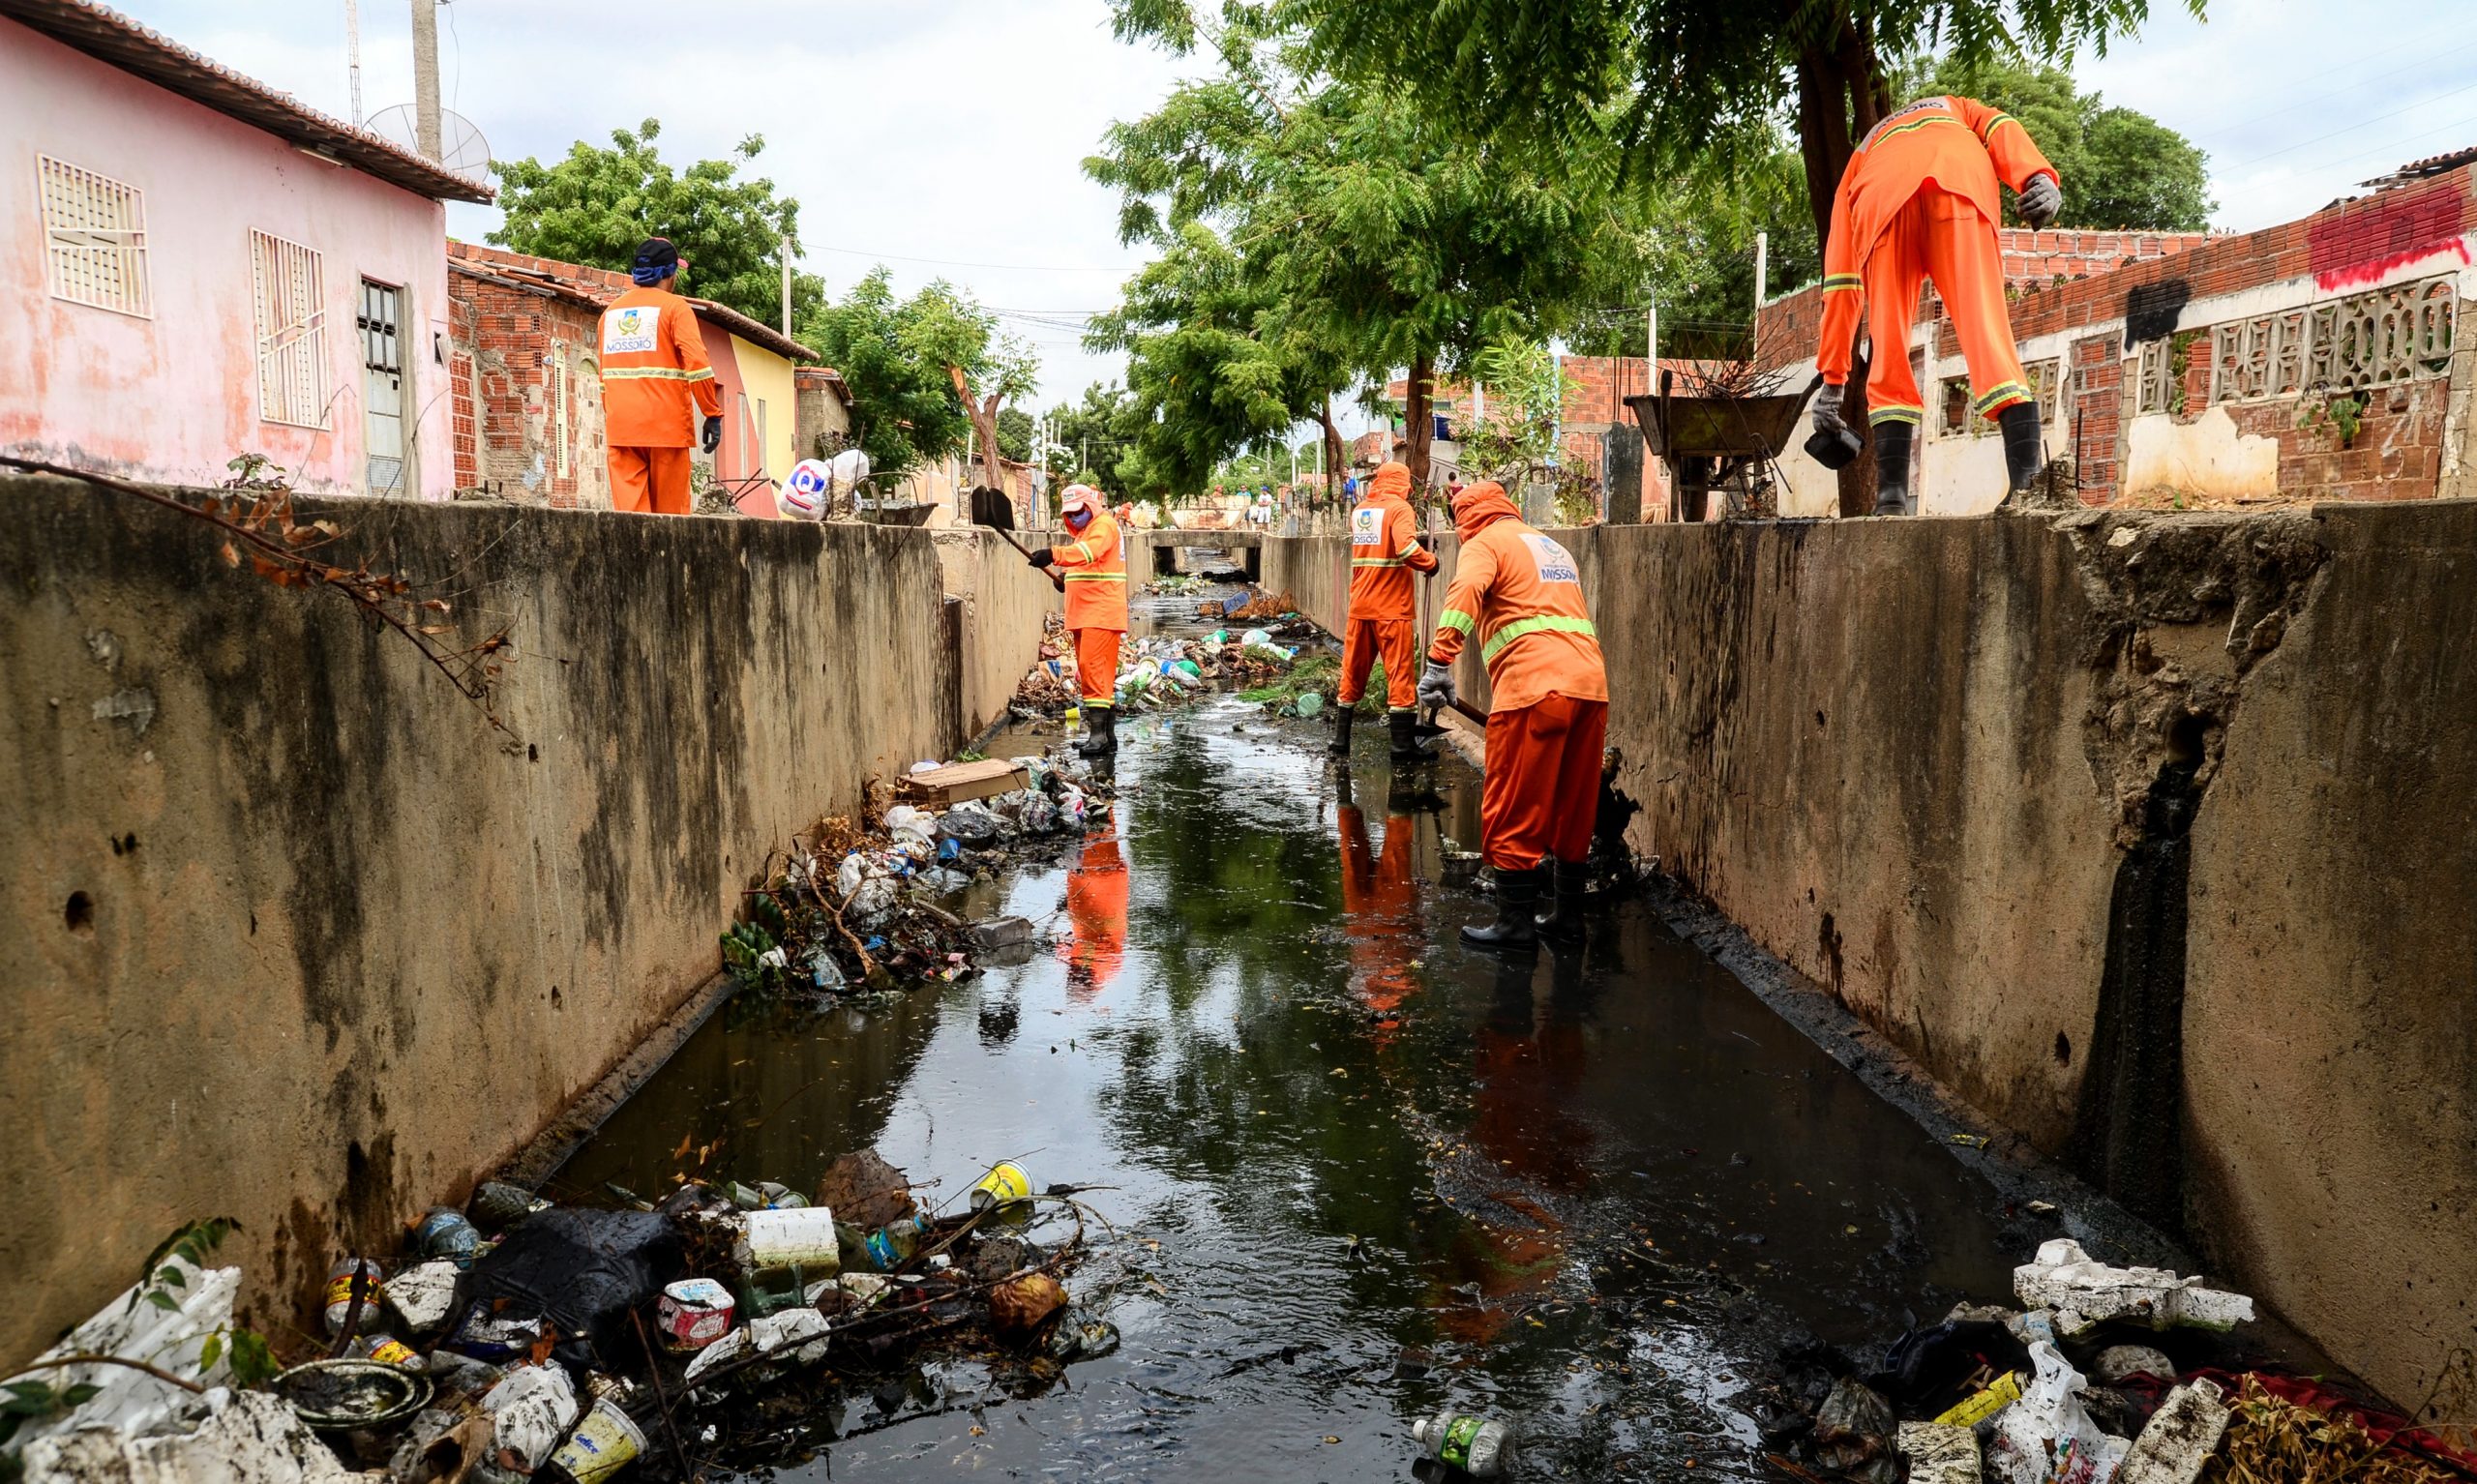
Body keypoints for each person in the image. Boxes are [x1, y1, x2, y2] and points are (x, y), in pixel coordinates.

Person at [1809, 95, 2060, 517]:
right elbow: (2001, 128)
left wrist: (1832, 382)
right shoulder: (1957, 107)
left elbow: (1841, 282)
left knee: (1888, 347)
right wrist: (2037, 176)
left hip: (1880, 203)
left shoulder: (1864, 151)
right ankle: (2026, 487)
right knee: (1986, 332)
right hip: (1958, 181)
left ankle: (1890, 500)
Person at [1418, 481, 1606, 948]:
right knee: (1573, 804)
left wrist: (1440, 661)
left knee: (1513, 802)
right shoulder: (1551, 547)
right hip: (1590, 688)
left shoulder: (1485, 544)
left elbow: (1464, 596)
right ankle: (1567, 920)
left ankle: (1515, 925)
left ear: (1467, 520)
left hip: (1533, 690)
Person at [598, 237, 723, 515]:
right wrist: (711, 413)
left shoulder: (610, 314)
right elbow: (698, 365)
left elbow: (604, 379)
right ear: (669, 273)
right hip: (667, 429)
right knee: (671, 522)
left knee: (632, 521)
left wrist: (617, 418)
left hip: (622, 430)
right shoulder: (675, 308)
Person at [1330, 460, 1439, 760]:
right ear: (1401, 483)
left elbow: (1381, 546)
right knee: (1399, 675)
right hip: (1391, 608)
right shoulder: (1400, 509)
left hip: (1360, 605)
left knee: (1352, 671)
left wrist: (1415, 544)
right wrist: (1430, 561)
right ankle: (1402, 746)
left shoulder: (1361, 510)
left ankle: (1341, 741)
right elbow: (1403, 549)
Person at [1027, 484, 1126, 757]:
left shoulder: (1103, 526)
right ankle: (1105, 736)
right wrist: (1067, 577)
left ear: (1091, 505)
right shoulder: (1088, 530)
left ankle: (1098, 737)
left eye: (1078, 511)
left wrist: (1053, 554)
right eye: (1069, 514)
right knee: (1097, 673)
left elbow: (1090, 553)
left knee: (1093, 669)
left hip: (1100, 612)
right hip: (1089, 612)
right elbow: (1090, 565)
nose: (1073, 518)